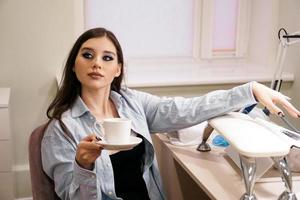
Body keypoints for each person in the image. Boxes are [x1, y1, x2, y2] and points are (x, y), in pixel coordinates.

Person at [41, 27, 300, 200]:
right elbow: (71, 196)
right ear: (74, 66)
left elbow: (187, 109)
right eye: (88, 55)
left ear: (118, 69)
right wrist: (83, 166)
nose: (97, 62)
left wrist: (249, 90)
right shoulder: (61, 130)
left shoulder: (133, 104)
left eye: (107, 58)